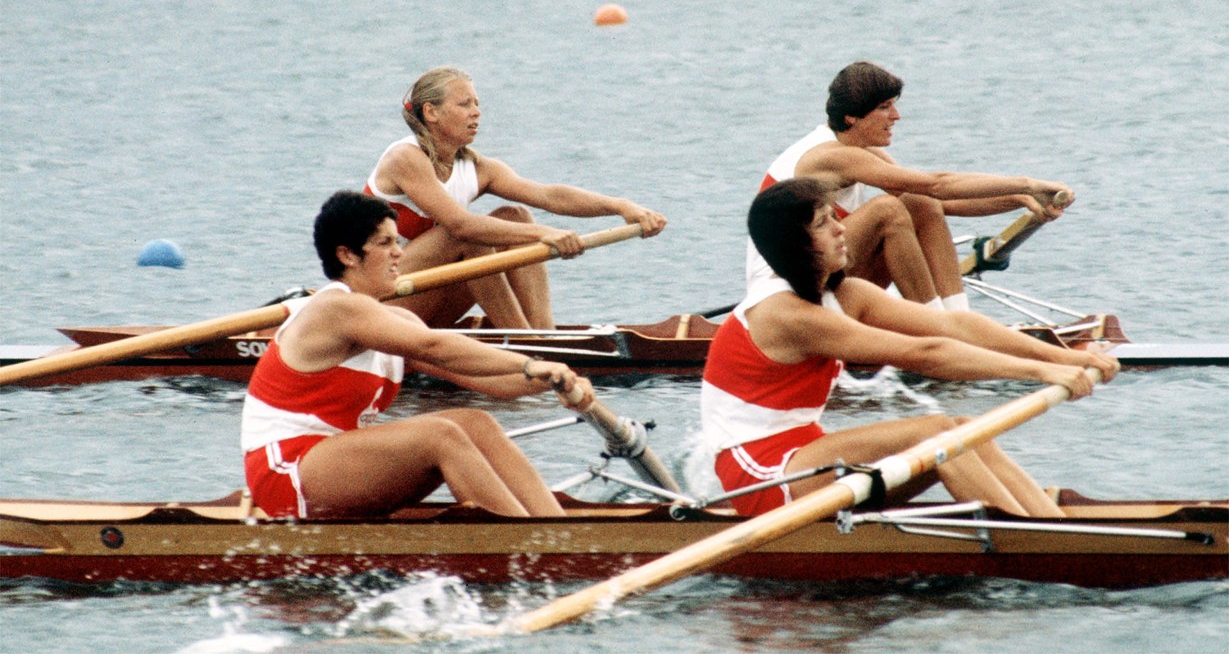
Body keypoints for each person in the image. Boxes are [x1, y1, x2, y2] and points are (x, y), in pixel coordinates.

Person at [706, 178, 1120, 518]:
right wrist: (1041, 374)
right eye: (822, 223)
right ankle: (1035, 545)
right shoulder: (787, 315)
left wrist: (1067, 356)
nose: (841, 229)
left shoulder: (846, 293)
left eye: (836, 216)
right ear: (792, 244)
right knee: (936, 433)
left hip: (805, 452)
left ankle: (1048, 527)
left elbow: (953, 325)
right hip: (761, 472)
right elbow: (925, 354)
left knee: (963, 430)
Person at [241, 190, 597, 519]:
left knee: (477, 423)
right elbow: (435, 346)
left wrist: (558, 379)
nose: (399, 252)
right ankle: (529, 549)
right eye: (385, 243)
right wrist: (531, 363)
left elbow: (494, 382)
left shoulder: (398, 320)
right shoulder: (336, 308)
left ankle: (555, 529)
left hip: (336, 463)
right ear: (347, 255)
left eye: (397, 240)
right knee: (440, 435)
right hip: (284, 472)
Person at [747, 61, 1074, 312]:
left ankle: (957, 320)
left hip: (825, 274)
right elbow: (938, 183)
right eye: (885, 107)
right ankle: (938, 331)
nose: (897, 116)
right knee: (888, 209)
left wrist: (1019, 199)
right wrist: (1029, 183)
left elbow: (939, 201)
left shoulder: (864, 152)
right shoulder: (831, 156)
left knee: (919, 203)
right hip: (784, 291)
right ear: (852, 117)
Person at [364, 66, 668, 329]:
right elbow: (460, 226)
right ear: (431, 112)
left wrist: (622, 206)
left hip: (422, 298)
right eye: (464, 104)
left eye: (477, 103)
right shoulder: (405, 158)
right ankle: (527, 346)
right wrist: (545, 234)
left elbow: (551, 196)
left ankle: (542, 334)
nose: (476, 112)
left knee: (515, 217)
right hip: (377, 304)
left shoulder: (478, 168)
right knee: (468, 234)